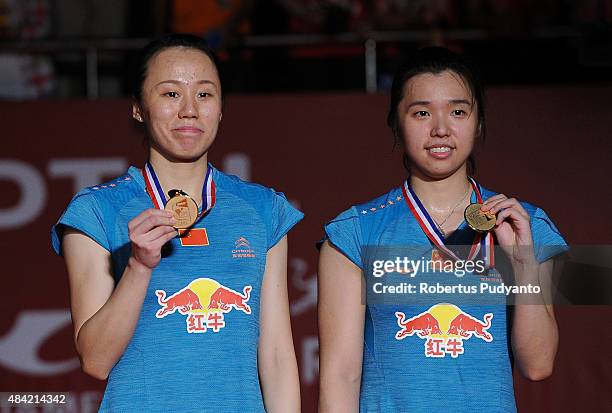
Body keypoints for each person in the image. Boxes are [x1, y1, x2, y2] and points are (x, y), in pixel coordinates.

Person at [51, 34, 302, 412]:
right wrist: (138, 266)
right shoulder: (97, 210)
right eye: (170, 94)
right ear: (138, 108)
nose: (189, 110)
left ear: (220, 108)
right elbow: (95, 362)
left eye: (204, 94)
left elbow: (278, 357)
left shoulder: (262, 207)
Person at [318, 47, 568, 412]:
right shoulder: (355, 232)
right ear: (395, 123)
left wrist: (523, 264)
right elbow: (340, 376)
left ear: (478, 122)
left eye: (457, 111)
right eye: (421, 112)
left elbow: (538, 365)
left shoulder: (523, 224)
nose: (440, 129)